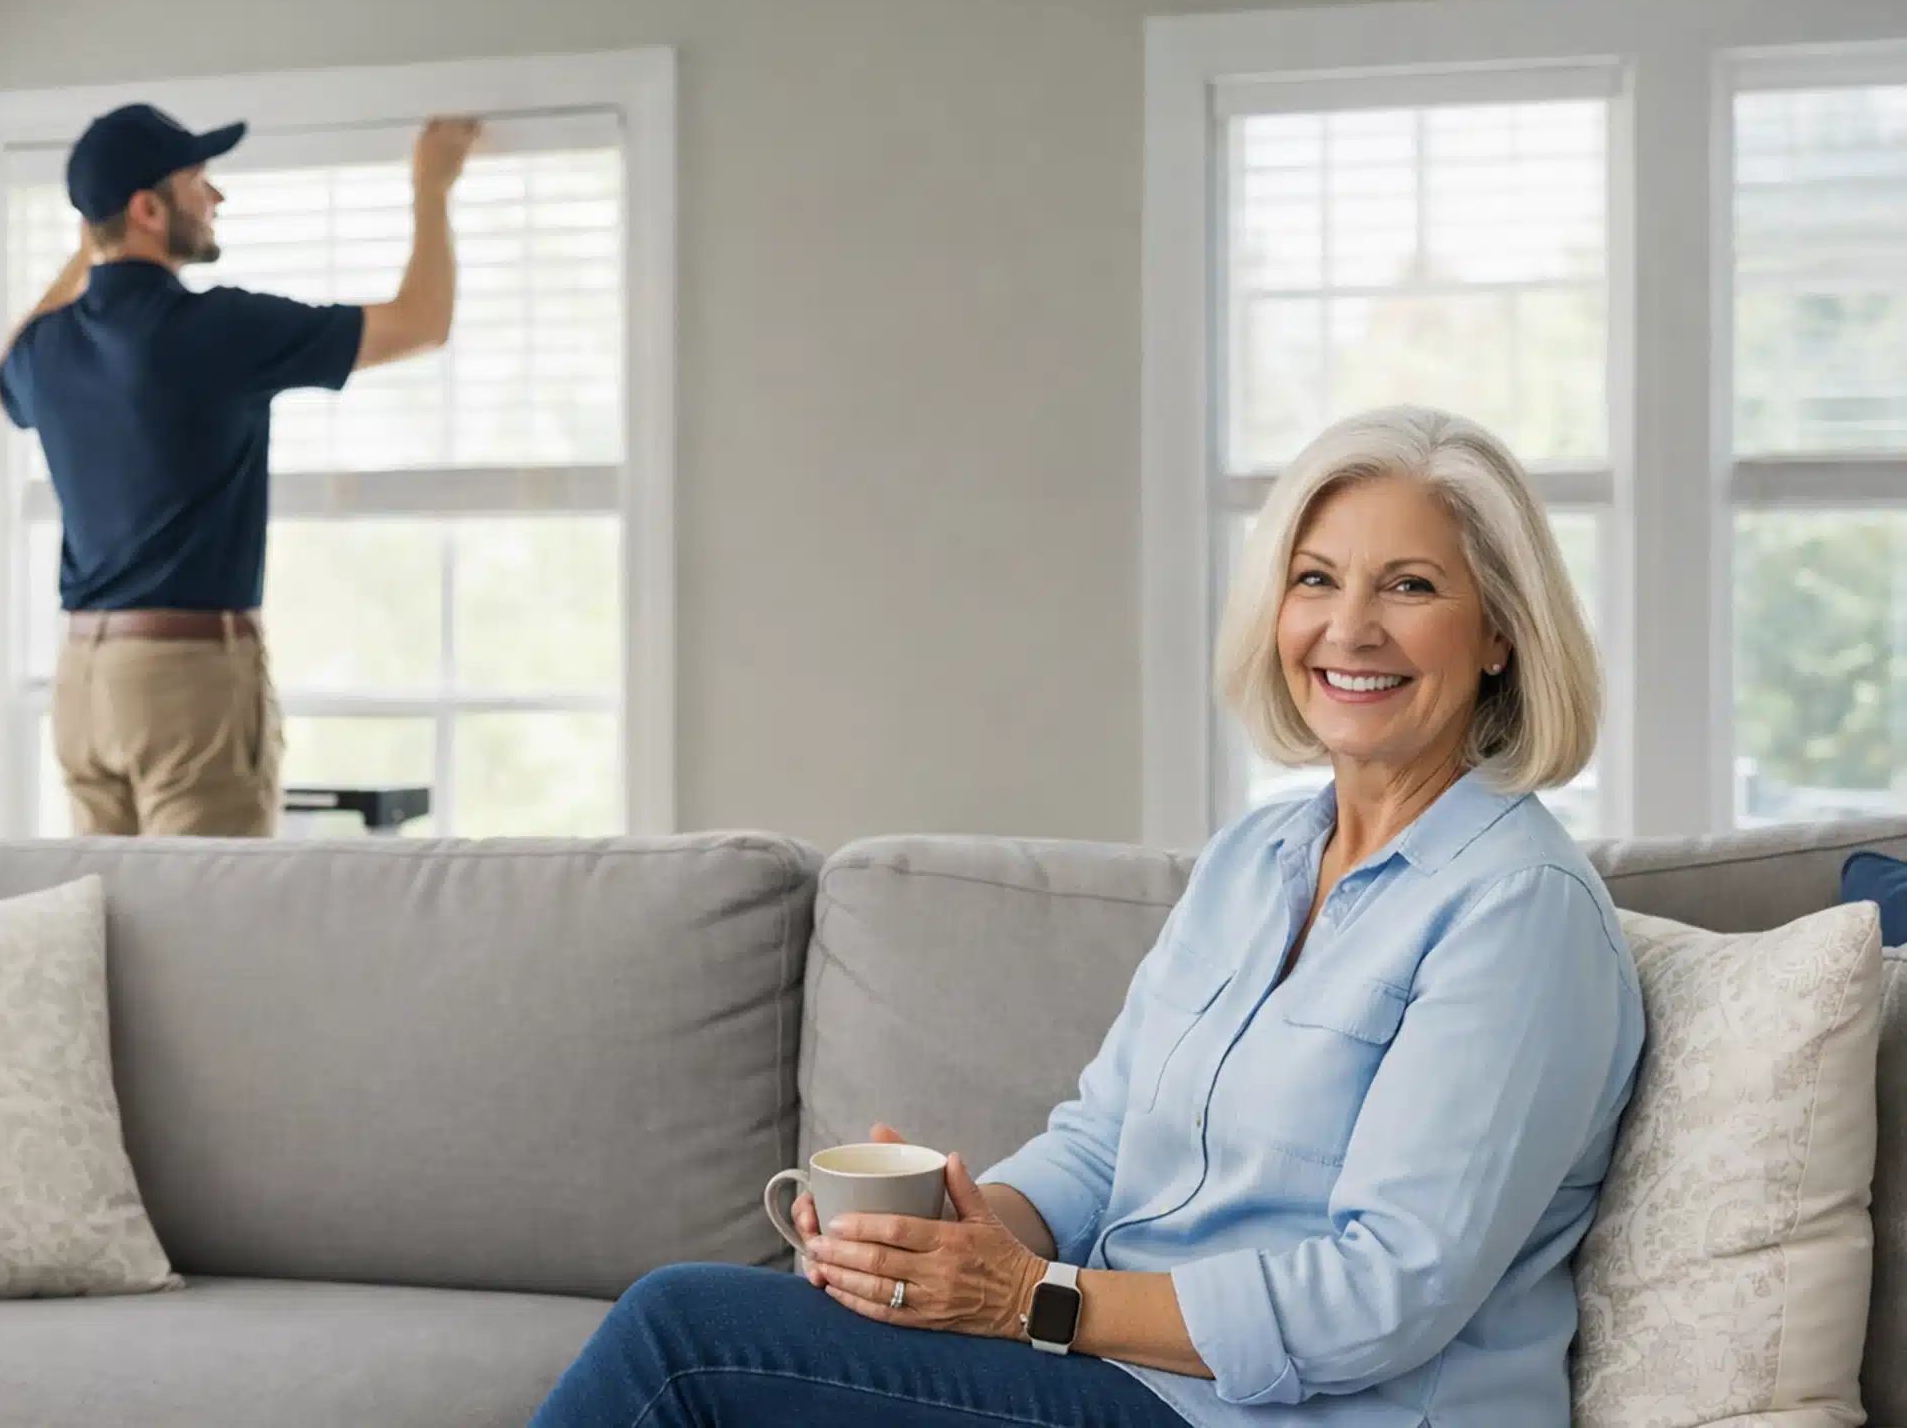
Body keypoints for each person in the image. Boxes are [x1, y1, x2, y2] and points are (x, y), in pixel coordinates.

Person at [533, 404, 1646, 1427]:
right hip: (1118, 1378)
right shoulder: (1257, 859)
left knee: (685, 1337)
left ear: (1500, 630)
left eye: (1409, 587)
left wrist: (1034, 1302)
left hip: (1282, 1416)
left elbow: (1381, 1294)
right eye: (1315, 580)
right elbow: (1105, 1138)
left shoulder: (1517, 912)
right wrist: (963, 1242)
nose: (1348, 629)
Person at [0, 104, 480, 837]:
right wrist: (432, 186)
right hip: (186, 683)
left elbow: (2, 373)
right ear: (149, 209)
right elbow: (421, 323)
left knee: (110, 927)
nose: (216, 200)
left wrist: (95, 241)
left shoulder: (47, 350)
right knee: (212, 925)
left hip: (83, 687)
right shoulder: (214, 330)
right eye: (199, 182)